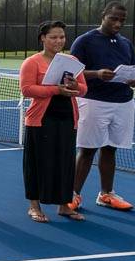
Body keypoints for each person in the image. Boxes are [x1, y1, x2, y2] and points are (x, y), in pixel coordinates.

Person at [69, 0, 135, 211]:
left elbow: (133, 68)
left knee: (110, 150)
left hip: (123, 103)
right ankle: (72, 195)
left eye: (122, 20)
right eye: (114, 19)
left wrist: (134, 79)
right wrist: (96, 74)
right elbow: (71, 72)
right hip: (94, 102)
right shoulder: (84, 41)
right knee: (88, 150)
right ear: (103, 16)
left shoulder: (126, 43)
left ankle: (106, 194)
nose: (118, 24)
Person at [20, 21, 88, 223]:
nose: (59, 41)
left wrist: (75, 86)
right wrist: (56, 90)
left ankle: (64, 206)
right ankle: (34, 206)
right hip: (40, 120)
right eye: (53, 37)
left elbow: (83, 89)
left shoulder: (72, 60)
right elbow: (27, 89)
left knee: (66, 163)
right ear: (43, 38)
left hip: (67, 118)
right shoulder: (32, 62)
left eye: (62, 37)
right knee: (37, 163)